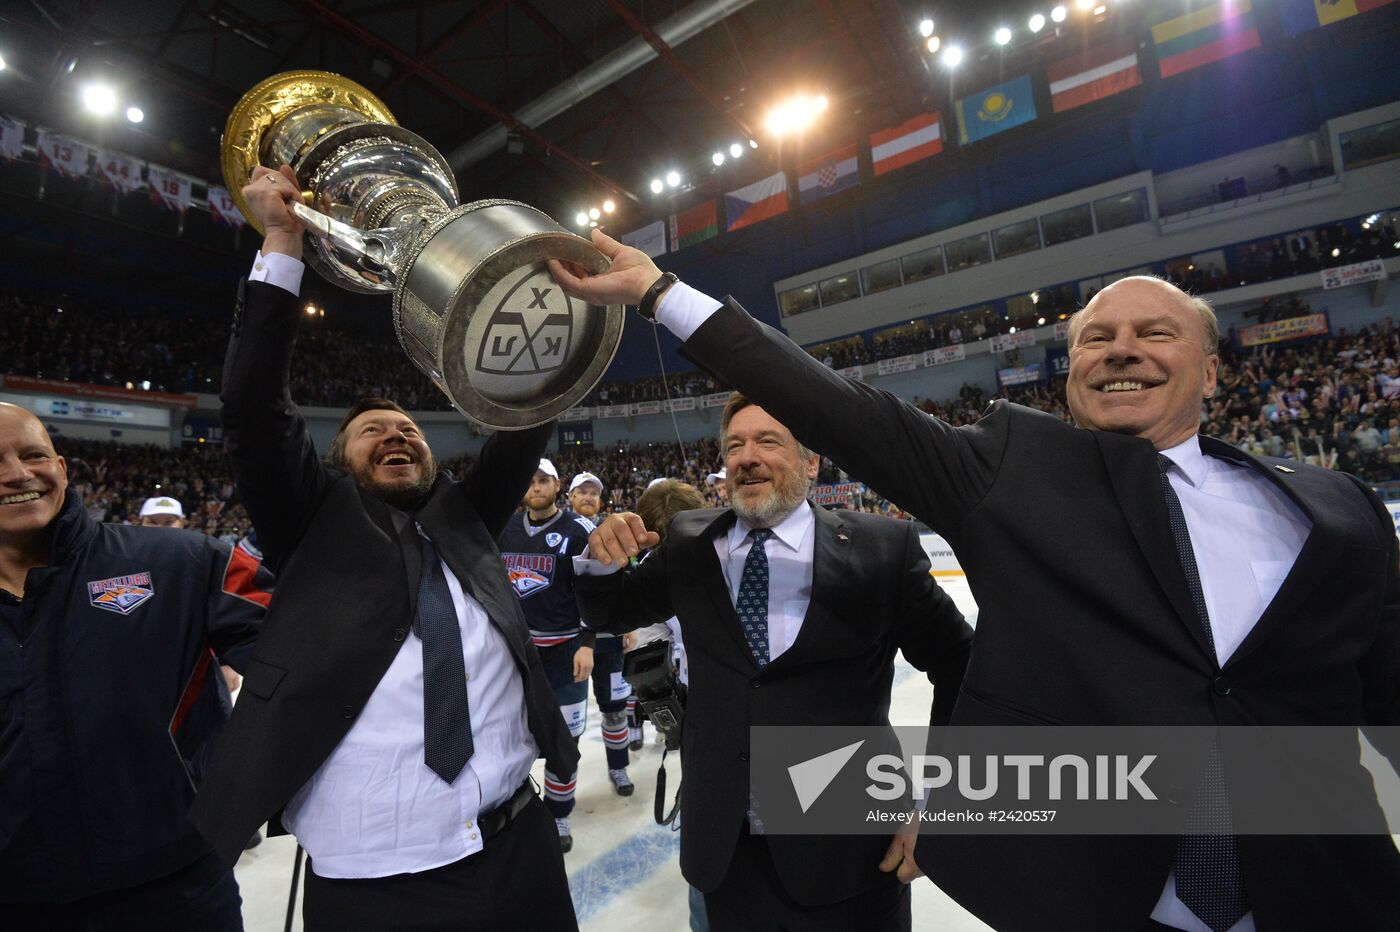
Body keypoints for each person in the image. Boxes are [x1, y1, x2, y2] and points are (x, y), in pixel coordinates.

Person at [550, 232, 1400, 931]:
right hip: (1095, 902)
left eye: (1157, 333)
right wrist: (664, 293)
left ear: (1212, 371)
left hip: (1327, 897)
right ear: (1069, 379)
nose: (1122, 351)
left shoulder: (1337, 508)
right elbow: (843, 407)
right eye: (1095, 340)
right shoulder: (1011, 475)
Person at [190, 165, 579, 932]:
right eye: (373, 430)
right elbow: (253, 406)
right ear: (339, 460)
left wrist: (527, 293)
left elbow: (526, 421)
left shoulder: (464, 515)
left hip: (518, 848)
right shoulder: (310, 522)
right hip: (374, 881)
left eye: (409, 429)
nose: (398, 433)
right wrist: (281, 239)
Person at [574, 393, 973, 932]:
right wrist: (601, 561)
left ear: (811, 463)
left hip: (852, 851)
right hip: (729, 851)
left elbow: (960, 664)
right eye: (734, 445)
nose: (746, 456)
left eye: (767, 441)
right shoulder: (691, 543)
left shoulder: (882, 548)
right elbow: (611, 609)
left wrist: (942, 807)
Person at [0, 403, 268, 929]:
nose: (16, 473)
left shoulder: (187, 562)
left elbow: (312, 651)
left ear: (62, 467)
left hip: (177, 891)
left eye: (32, 455)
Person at [497, 460, 632, 856]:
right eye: (530, 480)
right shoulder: (503, 527)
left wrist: (587, 641)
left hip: (565, 649)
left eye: (543, 480)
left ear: (558, 485)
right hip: (517, 651)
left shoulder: (580, 530)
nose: (536, 487)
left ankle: (558, 812)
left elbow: (596, 589)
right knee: (508, 734)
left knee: (566, 737)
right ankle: (514, 807)